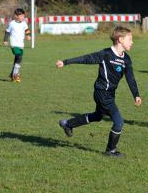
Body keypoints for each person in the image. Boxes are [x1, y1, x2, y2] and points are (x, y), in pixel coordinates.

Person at [56, 26, 142, 157]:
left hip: (110, 94)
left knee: (98, 116)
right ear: (120, 40)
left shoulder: (126, 59)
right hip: (101, 92)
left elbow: (131, 78)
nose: (132, 42)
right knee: (119, 122)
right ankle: (110, 150)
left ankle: (68, 124)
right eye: (130, 39)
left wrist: (136, 95)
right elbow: (86, 58)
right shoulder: (106, 54)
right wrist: (66, 62)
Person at [3, 8, 31, 82]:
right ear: (16, 16)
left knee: (17, 59)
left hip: (21, 44)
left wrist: (28, 36)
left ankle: (12, 74)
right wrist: (5, 40)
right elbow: (7, 32)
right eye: (21, 16)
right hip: (14, 44)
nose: (23, 17)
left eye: (23, 16)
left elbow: (27, 30)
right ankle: (15, 74)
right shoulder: (12, 23)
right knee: (19, 57)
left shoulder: (24, 23)